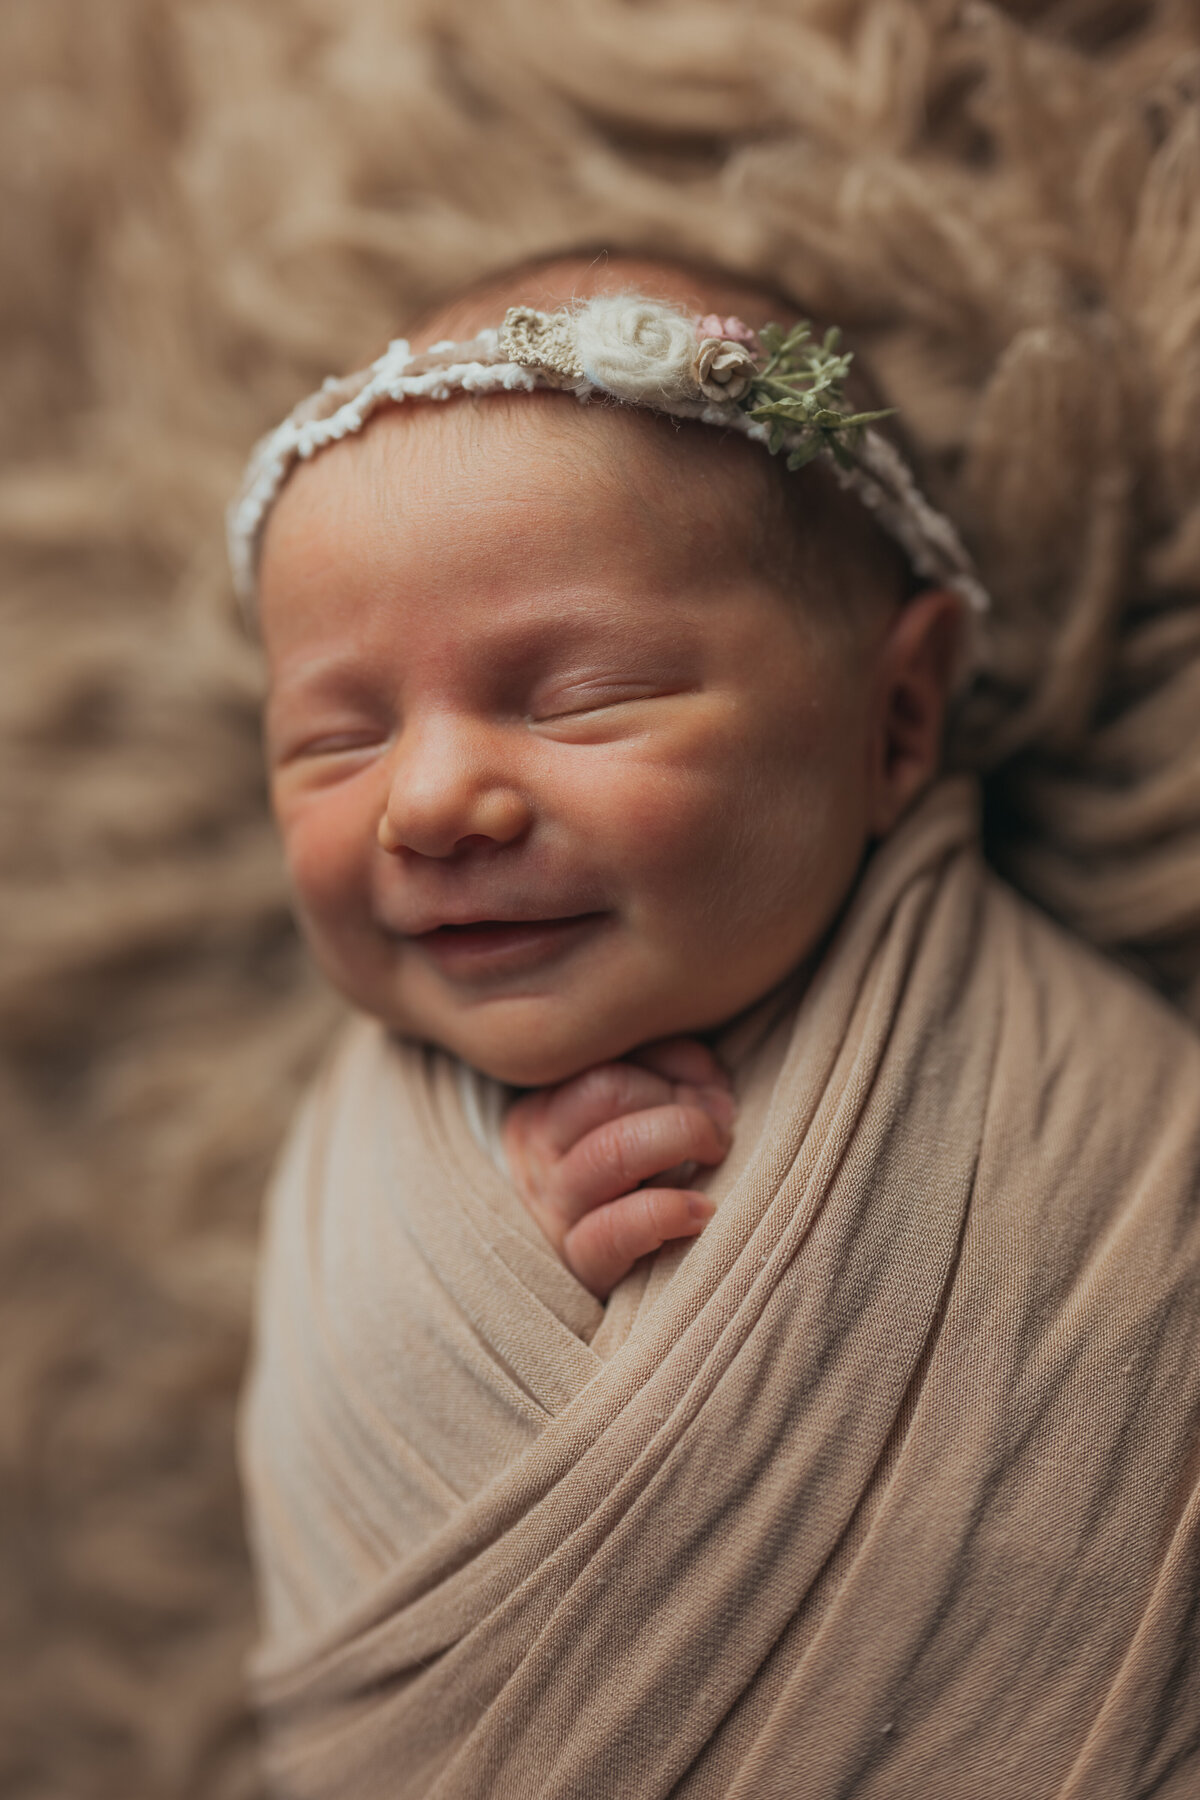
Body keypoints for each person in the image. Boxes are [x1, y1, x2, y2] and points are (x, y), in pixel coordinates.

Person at [231, 254, 1200, 1798]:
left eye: (582, 698)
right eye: (332, 741)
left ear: (895, 722)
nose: (425, 801)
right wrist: (480, 1253)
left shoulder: (1095, 1113)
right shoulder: (363, 1166)